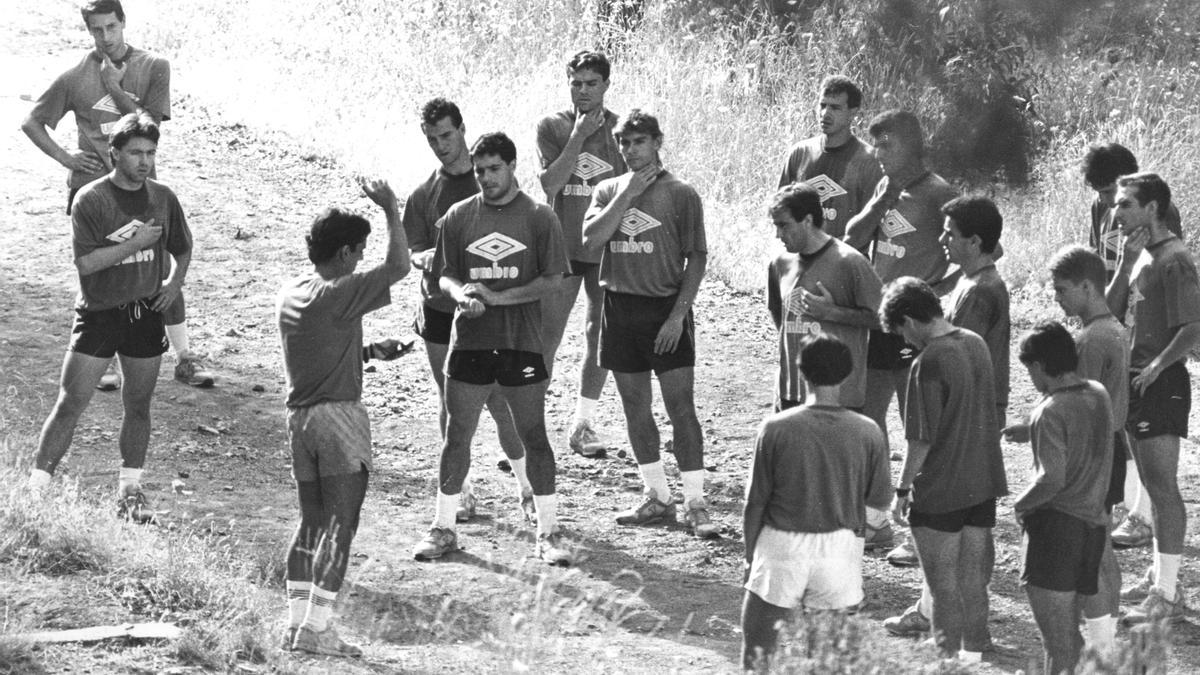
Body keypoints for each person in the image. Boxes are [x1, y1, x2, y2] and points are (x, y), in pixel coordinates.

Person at [20, 0, 213, 390]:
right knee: (98, 266)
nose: (104, 37)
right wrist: (67, 159)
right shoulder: (75, 75)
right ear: (88, 30)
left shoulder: (154, 65)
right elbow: (32, 121)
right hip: (92, 192)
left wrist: (114, 88)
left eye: (111, 27)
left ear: (123, 23)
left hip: (143, 189)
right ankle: (102, 357)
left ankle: (184, 356)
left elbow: (150, 126)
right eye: (96, 30)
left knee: (158, 266)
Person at [411, 132, 573, 565]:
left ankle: (549, 531)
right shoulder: (459, 216)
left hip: (520, 343)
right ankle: (443, 527)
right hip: (469, 343)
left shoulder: (540, 218)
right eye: (480, 170)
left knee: (533, 435)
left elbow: (553, 280)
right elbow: (443, 274)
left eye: (493, 169)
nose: (485, 178)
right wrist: (459, 293)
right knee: (456, 435)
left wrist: (498, 298)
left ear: (512, 166)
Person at [26, 113, 191, 523]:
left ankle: (130, 492)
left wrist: (173, 283)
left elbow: (183, 247)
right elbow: (87, 264)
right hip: (99, 315)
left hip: (145, 315)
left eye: (151, 153)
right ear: (114, 152)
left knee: (138, 405)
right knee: (71, 402)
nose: (144, 161)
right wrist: (136, 242)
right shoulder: (91, 199)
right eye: (135, 152)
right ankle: (34, 492)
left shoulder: (164, 197)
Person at [276, 180, 411, 657]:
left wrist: (370, 350)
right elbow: (400, 265)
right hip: (340, 420)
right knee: (341, 526)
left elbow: (320, 346)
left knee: (310, 523)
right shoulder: (342, 289)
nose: (361, 259)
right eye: (358, 251)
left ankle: (296, 626)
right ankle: (320, 628)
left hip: (300, 421)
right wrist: (393, 208)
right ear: (345, 252)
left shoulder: (293, 292)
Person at [582, 109, 716, 538]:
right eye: (624, 143)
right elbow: (590, 240)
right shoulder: (606, 189)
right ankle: (657, 495)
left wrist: (678, 316)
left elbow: (696, 256)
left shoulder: (681, 193)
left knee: (681, 409)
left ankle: (695, 502)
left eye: (639, 142)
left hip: (664, 309)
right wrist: (627, 194)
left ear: (657, 142)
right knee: (634, 408)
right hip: (619, 307)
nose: (630, 150)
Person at [844, 110, 958, 570]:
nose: (877, 153)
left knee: (920, 427)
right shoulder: (886, 188)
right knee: (870, 420)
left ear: (911, 146)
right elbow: (852, 238)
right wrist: (881, 200)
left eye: (886, 144)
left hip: (915, 326)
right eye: (874, 144)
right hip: (880, 322)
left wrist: (938, 293)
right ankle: (876, 520)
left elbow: (982, 248)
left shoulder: (939, 192)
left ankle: (918, 531)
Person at [404, 98, 527, 520]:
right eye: (432, 138)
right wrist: (429, 259)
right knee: (450, 398)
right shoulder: (423, 194)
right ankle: (463, 490)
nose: (440, 145)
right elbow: (413, 252)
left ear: (461, 129)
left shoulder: (487, 179)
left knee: (500, 399)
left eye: (447, 135)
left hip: (491, 305)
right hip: (440, 307)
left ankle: (528, 487)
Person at [741, 335, 892, 670]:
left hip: (781, 545)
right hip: (839, 548)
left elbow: (755, 502)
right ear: (848, 374)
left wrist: (750, 555)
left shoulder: (776, 427)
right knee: (828, 660)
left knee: (758, 653)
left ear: (802, 372)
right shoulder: (868, 430)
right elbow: (880, 498)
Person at [879, 277, 1007, 661]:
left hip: (940, 490)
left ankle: (950, 662)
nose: (905, 341)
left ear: (910, 320)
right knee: (973, 579)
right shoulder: (975, 343)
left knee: (942, 586)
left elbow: (920, 439)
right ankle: (975, 651)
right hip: (982, 483)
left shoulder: (929, 360)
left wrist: (901, 491)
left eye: (901, 331)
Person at [765, 182, 888, 548]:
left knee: (837, 480)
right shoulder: (780, 263)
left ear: (807, 219)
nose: (779, 234)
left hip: (839, 393)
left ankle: (867, 533)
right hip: (791, 389)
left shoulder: (851, 262)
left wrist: (832, 313)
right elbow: (779, 315)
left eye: (785, 225)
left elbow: (884, 320)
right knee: (792, 476)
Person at [1106, 173, 1200, 624]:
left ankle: (1167, 593)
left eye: (1126, 204)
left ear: (1153, 208)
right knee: (1151, 486)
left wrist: (1159, 365)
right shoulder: (1143, 256)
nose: (1117, 212)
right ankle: (1161, 577)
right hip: (1137, 379)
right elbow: (1110, 309)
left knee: (1163, 489)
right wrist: (1124, 264)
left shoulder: (1176, 259)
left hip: (1159, 383)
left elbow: (1194, 326)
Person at [1080, 143, 1181, 550]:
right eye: (1100, 193)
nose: (1105, 202)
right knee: (1118, 410)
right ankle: (1132, 506)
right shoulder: (1100, 209)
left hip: (1142, 322)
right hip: (1110, 308)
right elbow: (1097, 257)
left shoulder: (1155, 210)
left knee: (1140, 415)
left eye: (1109, 192)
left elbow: (1157, 268)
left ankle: (1142, 514)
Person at [536, 50, 627, 458]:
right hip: (562, 247)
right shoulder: (552, 126)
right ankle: (530, 427)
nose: (583, 91)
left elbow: (639, 188)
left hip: (605, 247)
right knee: (546, 337)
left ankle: (582, 423)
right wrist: (577, 135)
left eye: (592, 83)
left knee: (599, 334)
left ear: (606, 85)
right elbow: (551, 184)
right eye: (576, 83)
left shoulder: (623, 131)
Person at [1009, 322, 1113, 674]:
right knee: (1070, 638)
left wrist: (1020, 505)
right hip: (1092, 530)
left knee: (1058, 643)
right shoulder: (1099, 393)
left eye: (1029, 370)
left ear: (1038, 367)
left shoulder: (1049, 411)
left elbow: (1051, 479)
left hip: (1054, 533)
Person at [1038, 245, 1128, 651]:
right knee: (1101, 548)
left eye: (1062, 290)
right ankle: (1103, 638)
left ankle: (1102, 645)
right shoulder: (1114, 327)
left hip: (1095, 452)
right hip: (1110, 446)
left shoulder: (1092, 339)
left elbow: (1079, 405)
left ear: (1088, 286)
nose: (1057, 298)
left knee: (1096, 554)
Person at [777, 76, 883, 239]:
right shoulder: (800, 153)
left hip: (845, 260)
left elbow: (869, 227)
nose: (825, 113)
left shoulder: (869, 161)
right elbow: (780, 210)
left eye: (835, 108)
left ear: (852, 113)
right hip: (802, 258)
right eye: (822, 105)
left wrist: (828, 253)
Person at [940, 195, 1009, 425]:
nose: (942, 240)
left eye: (950, 234)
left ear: (974, 242)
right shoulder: (971, 280)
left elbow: (959, 360)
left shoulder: (980, 291)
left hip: (972, 412)